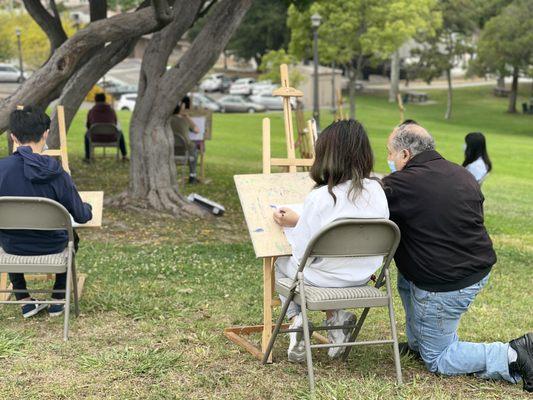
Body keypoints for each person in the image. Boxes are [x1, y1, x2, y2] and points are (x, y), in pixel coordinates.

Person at [383, 120, 532, 392]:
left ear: (405, 154)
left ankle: (513, 354)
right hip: (475, 269)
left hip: (445, 284)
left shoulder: (402, 183)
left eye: (390, 153)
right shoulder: (461, 174)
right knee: (406, 278)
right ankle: (419, 342)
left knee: (439, 358)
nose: (388, 160)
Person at [273, 119, 389, 362]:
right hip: (361, 276)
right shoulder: (378, 190)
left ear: (326, 155)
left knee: (281, 262)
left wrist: (298, 224)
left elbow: (302, 254)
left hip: (321, 280)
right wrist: (304, 221)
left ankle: (297, 320)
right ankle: (335, 320)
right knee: (322, 266)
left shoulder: (321, 197)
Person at [0, 106, 92, 318]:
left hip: (11, 248)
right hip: (52, 246)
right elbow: (82, 216)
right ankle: (58, 297)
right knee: (73, 237)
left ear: (13, 136)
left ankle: (23, 298)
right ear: (46, 134)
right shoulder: (56, 172)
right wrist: (88, 207)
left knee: (8, 230)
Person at [84, 93, 128, 162]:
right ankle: (124, 155)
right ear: (105, 100)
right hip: (111, 137)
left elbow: (88, 126)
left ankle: (87, 157)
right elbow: (115, 123)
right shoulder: (111, 111)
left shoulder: (91, 111)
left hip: (95, 138)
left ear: (95, 100)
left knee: (87, 134)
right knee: (120, 133)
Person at [170, 96, 200, 184]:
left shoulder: (167, 120)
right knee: (195, 149)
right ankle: (192, 175)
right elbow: (197, 130)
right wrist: (188, 117)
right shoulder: (185, 119)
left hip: (172, 149)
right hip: (186, 149)